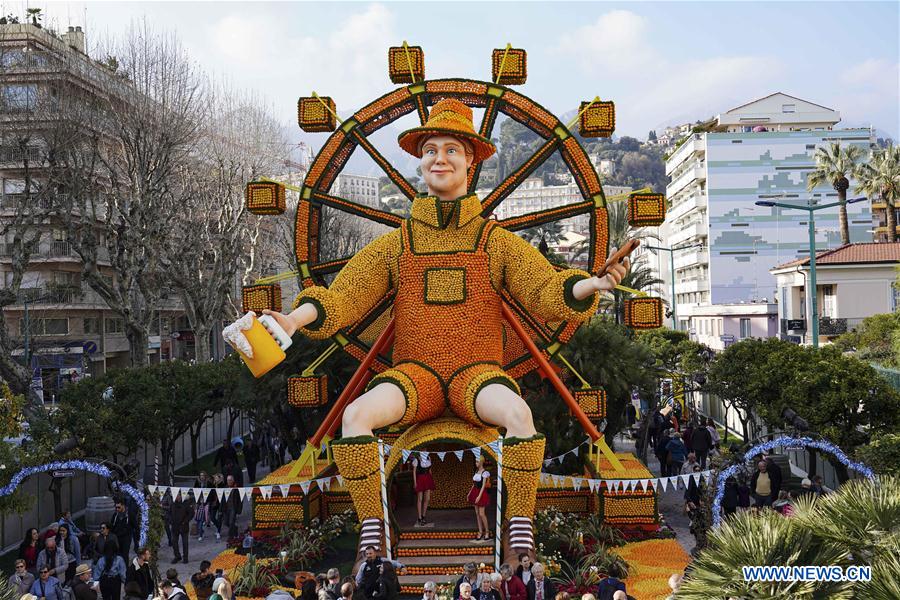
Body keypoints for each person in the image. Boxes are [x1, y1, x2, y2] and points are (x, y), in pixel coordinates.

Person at [224, 99, 632, 558]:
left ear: (471, 161)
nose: (439, 158)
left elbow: (544, 288)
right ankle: (373, 531)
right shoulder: (396, 244)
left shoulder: (494, 243)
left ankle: (519, 525)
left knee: (520, 417)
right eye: (430, 149)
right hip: (414, 376)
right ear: (420, 161)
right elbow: (344, 297)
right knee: (355, 417)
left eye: (451, 149)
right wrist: (293, 320)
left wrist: (591, 284)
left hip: (476, 376)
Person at [468, 456, 491, 541]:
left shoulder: (485, 473)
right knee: (477, 513)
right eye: (476, 462)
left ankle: (487, 531)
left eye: (477, 462)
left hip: (481, 493)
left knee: (482, 513)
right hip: (474, 492)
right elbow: (474, 484)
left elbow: (483, 486)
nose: (476, 463)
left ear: (481, 462)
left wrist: (479, 496)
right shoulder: (476, 471)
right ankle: (480, 531)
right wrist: (469, 493)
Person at [169, 492, 194, 564]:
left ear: (180, 496)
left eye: (177, 495)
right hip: (174, 527)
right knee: (174, 543)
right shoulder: (173, 503)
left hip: (183, 527)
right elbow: (169, 513)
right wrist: (170, 520)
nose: (176, 497)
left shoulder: (186, 503)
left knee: (185, 543)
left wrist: (185, 521)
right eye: (175, 495)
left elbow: (191, 513)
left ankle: (185, 558)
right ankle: (177, 556)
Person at [411, 452, 435, 527]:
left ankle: (423, 516)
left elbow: (430, 470)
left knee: (427, 499)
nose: (424, 450)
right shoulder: (416, 460)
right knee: (420, 499)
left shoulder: (429, 458)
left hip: (428, 478)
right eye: (422, 449)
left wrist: (432, 480)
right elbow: (414, 472)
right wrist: (415, 483)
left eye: (425, 449)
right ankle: (419, 518)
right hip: (420, 479)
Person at [221, 475, 242, 539]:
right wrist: (221, 509)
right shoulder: (225, 487)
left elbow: (240, 500)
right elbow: (222, 499)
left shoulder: (237, 488)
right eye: (227, 480)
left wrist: (239, 509)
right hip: (226, 507)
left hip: (233, 507)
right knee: (226, 522)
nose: (229, 481)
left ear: (233, 480)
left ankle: (230, 537)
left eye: (230, 480)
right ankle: (235, 528)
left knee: (231, 522)